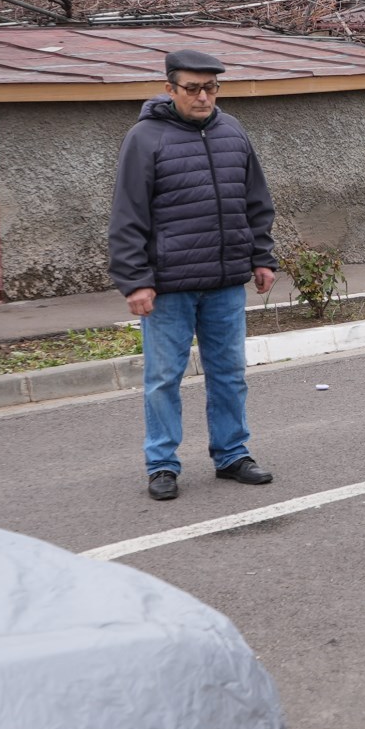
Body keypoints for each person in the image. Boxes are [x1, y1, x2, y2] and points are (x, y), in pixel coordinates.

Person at [109, 48, 278, 502]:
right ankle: (162, 464)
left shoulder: (232, 131)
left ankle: (231, 455)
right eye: (193, 88)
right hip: (168, 287)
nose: (204, 97)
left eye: (211, 88)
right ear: (170, 88)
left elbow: (255, 202)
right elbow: (128, 216)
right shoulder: (145, 139)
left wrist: (262, 258)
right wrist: (135, 280)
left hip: (225, 281)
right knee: (164, 378)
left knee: (230, 373)